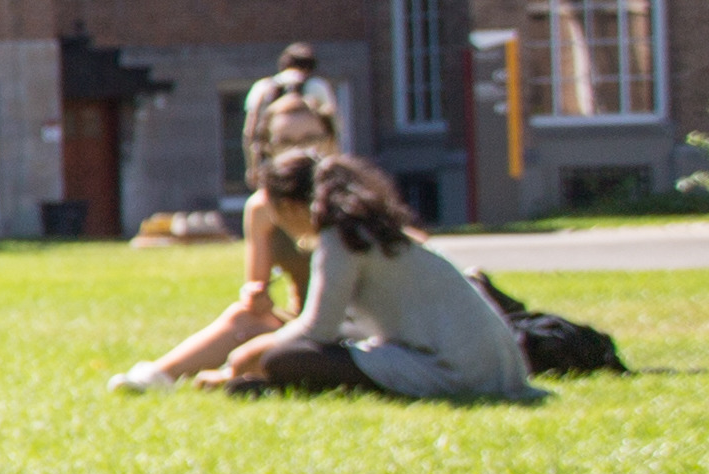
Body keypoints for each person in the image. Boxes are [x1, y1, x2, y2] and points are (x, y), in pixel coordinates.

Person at [215, 153, 535, 403]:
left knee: (286, 359)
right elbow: (345, 326)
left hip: (457, 372)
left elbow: (318, 330)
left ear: (288, 206)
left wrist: (242, 359)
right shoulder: (363, 227)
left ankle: (267, 383)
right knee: (296, 356)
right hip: (496, 369)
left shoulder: (339, 236)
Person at [110, 152, 321, 390]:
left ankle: (232, 375)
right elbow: (256, 284)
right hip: (299, 318)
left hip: (333, 322)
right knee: (243, 317)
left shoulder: (334, 208)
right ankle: (159, 375)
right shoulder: (263, 206)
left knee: (254, 354)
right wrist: (255, 294)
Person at [238, 44, 345, 201]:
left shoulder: (262, 88)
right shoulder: (317, 86)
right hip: (312, 171)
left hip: (276, 167)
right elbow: (333, 128)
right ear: (310, 68)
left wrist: (252, 168)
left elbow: (249, 133)